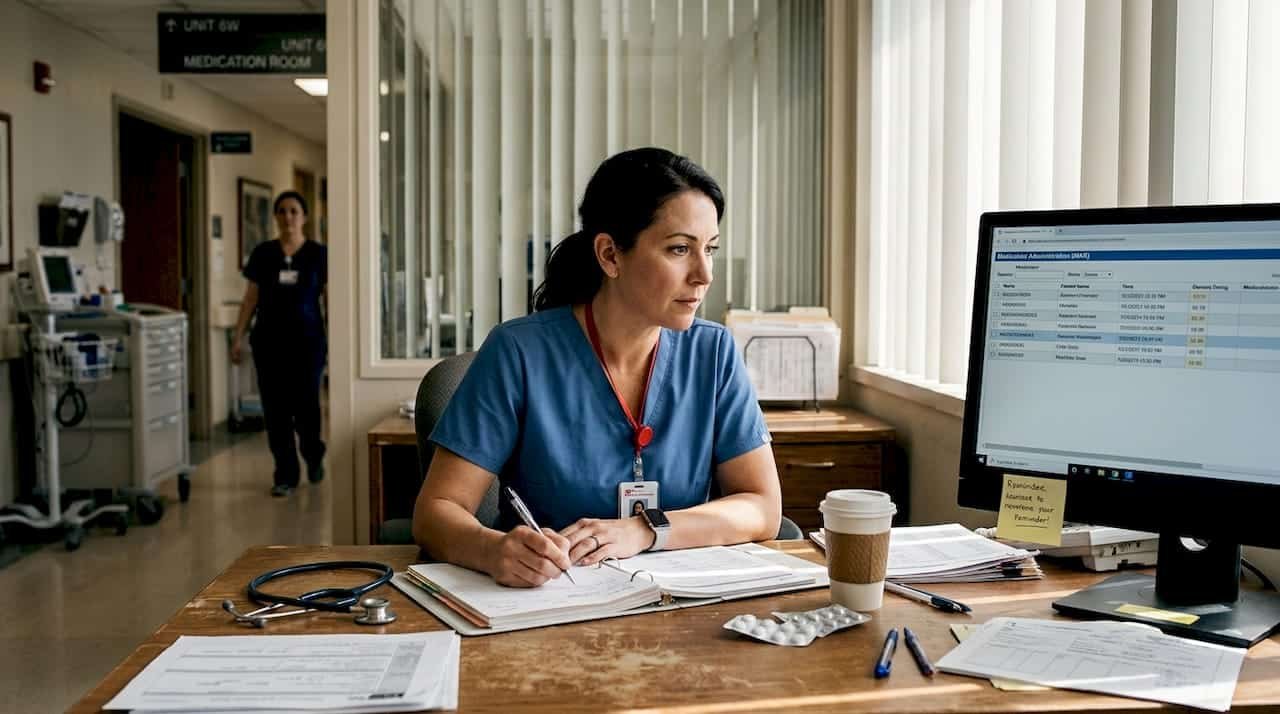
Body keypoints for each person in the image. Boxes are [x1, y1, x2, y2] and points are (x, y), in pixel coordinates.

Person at [413, 147, 781, 587]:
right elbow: (436, 512)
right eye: (680, 249)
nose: (704, 274)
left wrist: (646, 530)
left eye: (711, 249)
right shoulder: (518, 352)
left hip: (674, 603)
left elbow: (763, 506)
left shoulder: (714, 352)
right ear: (610, 255)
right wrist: (492, 551)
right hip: (551, 601)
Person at [231, 191, 328, 497]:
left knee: (307, 408)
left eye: (294, 211)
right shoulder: (264, 254)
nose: (288, 217)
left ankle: (313, 454)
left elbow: (330, 299)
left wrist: (338, 342)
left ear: (304, 217)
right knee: (276, 412)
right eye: (282, 211)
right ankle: (285, 474)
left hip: (308, 344)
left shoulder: (318, 254)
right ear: (275, 216)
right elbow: (250, 298)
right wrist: (238, 337)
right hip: (269, 343)